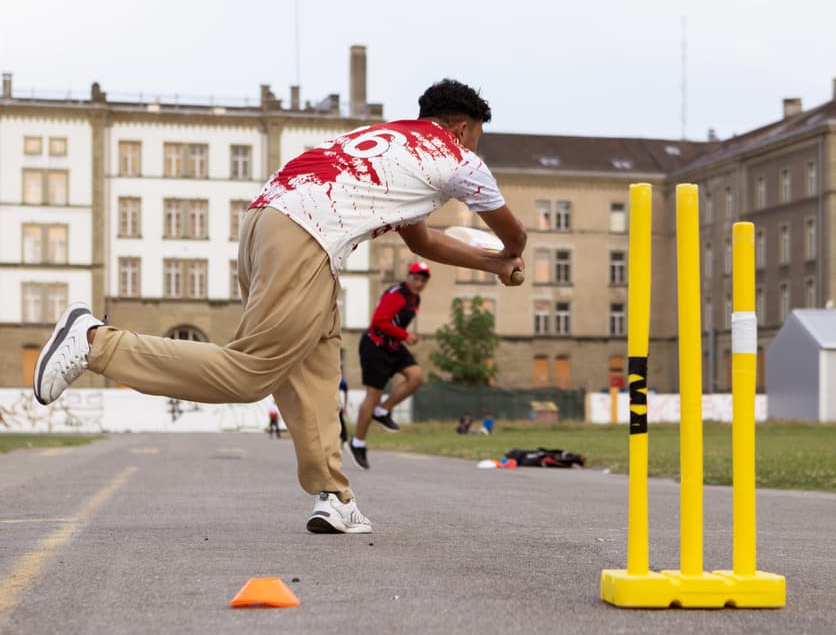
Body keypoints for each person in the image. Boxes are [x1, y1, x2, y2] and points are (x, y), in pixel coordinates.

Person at [32, 78, 527, 536]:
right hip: (306, 237)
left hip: (265, 223)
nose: (473, 147)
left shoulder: (386, 140)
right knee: (250, 373)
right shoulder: (456, 156)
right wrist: (509, 256)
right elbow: (515, 232)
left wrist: (493, 266)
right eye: (476, 137)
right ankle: (96, 343)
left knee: (316, 360)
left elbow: (423, 243)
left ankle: (335, 496)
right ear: (462, 128)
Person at [347, 261, 429, 469]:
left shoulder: (414, 298)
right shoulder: (397, 294)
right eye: (416, 278)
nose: (419, 283)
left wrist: (404, 337)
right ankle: (358, 443)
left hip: (392, 346)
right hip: (375, 346)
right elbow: (379, 321)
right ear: (408, 276)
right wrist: (405, 335)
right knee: (372, 395)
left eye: (423, 280)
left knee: (416, 377)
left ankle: (382, 412)